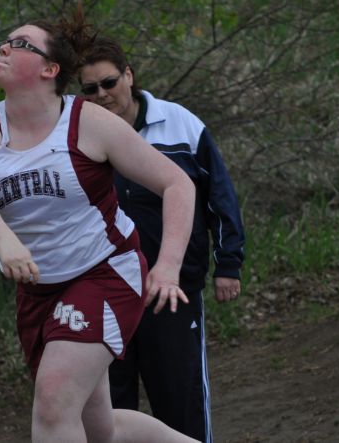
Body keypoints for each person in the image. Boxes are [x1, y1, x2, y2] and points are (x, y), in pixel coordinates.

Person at [0, 11, 199, 442]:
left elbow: (177, 182)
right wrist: (4, 240)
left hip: (104, 273)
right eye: (4, 42)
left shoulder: (86, 121)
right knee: (97, 428)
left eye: (20, 44)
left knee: (52, 403)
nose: (4, 48)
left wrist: (168, 265)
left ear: (50, 70)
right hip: (38, 290)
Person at [79, 36, 246, 442]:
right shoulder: (79, 136)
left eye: (109, 82)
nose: (102, 94)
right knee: (110, 411)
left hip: (172, 290)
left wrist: (229, 263)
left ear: (129, 76)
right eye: (90, 88)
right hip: (106, 292)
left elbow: (219, 195)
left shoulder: (180, 124)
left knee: (180, 398)